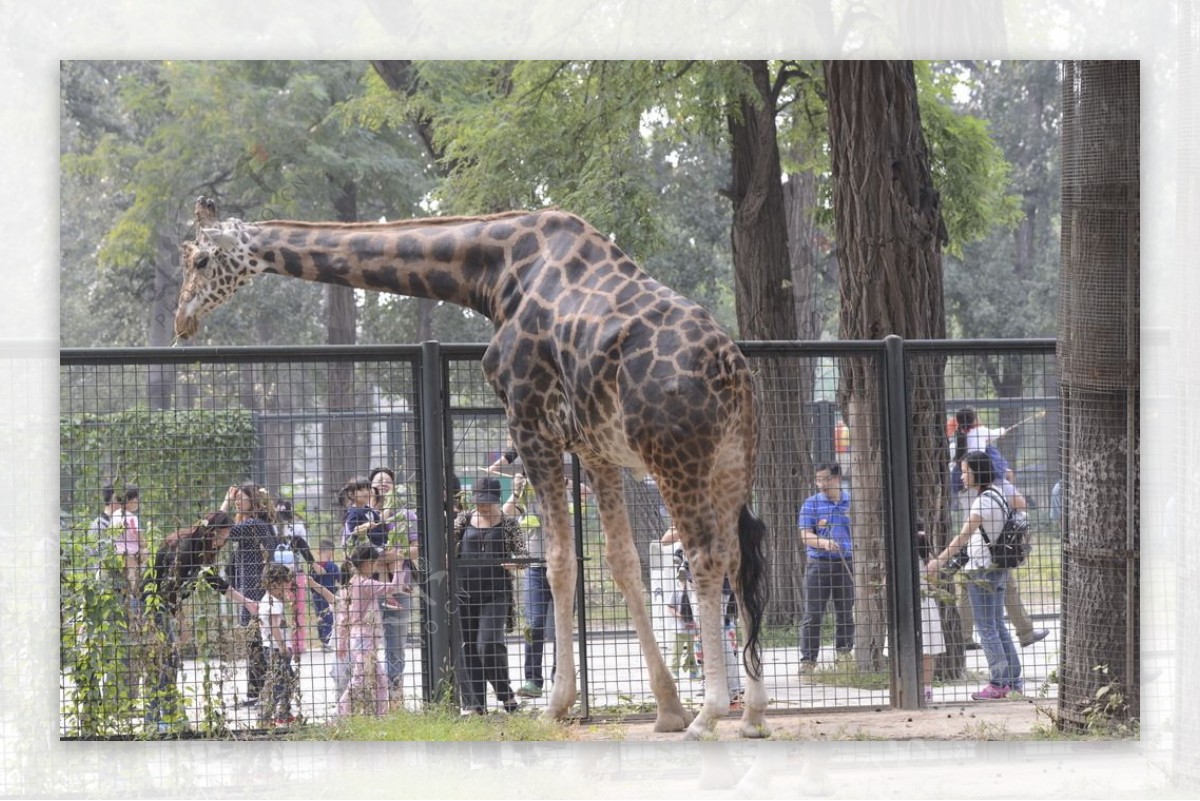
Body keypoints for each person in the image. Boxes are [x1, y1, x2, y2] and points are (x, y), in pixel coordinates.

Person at [140, 511, 257, 732]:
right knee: (164, 661)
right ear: (212, 533)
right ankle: (154, 718)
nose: (224, 542)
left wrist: (247, 602)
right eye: (223, 537)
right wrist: (182, 623)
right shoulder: (185, 550)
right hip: (153, 603)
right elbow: (169, 589)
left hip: (166, 604)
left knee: (170, 662)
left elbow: (215, 581)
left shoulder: (202, 548)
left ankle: (167, 714)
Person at [925, 450, 1022, 700]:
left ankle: (999, 683)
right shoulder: (999, 494)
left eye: (966, 471)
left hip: (982, 571)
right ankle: (1013, 681)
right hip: (998, 569)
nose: (962, 476)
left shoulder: (982, 501)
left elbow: (963, 537)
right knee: (998, 625)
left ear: (978, 472)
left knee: (986, 628)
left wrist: (940, 560)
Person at [949, 409, 1047, 650]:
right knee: (999, 597)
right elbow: (1020, 503)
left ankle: (964, 636)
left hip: (973, 544)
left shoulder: (957, 463)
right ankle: (1023, 633)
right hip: (992, 544)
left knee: (972, 588)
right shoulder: (994, 482)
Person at [454, 476, 526, 715]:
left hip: (496, 592)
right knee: (469, 648)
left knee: (487, 644)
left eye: (488, 501)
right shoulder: (464, 520)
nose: (483, 505)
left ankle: (505, 695)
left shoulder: (508, 524)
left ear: (497, 499)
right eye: (479, 501)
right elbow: (448, 547)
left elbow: (523, 556)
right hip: (465, 592)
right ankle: (476, 705)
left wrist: (514, 564)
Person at [220, 482, 279, 707]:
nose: (236, 501)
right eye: (235, 499)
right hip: (251, 593)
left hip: (256, 595)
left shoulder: (254, 524)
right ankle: (257, 694)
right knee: (256, 645)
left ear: (253, 502)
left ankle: (267, 692)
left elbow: (217, 528)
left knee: (260, 645)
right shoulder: (254, 524)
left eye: (240, 498)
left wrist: (224, 503)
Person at [87, 482, 143, 702]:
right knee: (114, 646)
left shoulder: (124, 522)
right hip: (110, 593)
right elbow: (99, 562)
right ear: (114, 501)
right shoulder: (100, 525)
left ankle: (127, 698)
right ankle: (114, 699)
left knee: (129, 645)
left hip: (127, 592)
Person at [337, 544, 408, 717]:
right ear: (368, 563)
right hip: (365, 638)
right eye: (375, 562)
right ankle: (340, 716)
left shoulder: (351, 583)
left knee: (379, 680)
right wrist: (398, 565)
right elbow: (394, 587)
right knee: (360, 680)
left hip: (359, 638)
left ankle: (380, 716)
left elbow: (344, 617)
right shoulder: (364, 583)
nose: (377, 565)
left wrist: (342, 642)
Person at [797, 462, 855, 674]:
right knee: (813, 614)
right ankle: (808, 660)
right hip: (818, 564)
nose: (821, 484)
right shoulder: (811, 504)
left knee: (845, 611)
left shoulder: (852, 502)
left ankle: (844, 654)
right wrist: (824, 543)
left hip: (845, 563)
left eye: (826, 479)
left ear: (837, 478)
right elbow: (805, 535)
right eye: (818, 479)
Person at [369, 466, 419, 705]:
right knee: (365, 642)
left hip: (400, 587)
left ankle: (395, 696)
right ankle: (369, 695)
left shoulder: (406, 515)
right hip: (367, 589)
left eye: (387, 480)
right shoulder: (363, 516)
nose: (383, 484)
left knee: (396, 643)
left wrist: (393, 555)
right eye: (378, 481)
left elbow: (417, 548)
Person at [507, 473, 556, 699]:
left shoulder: (564, 489)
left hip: (564, 567)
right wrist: (517, 492)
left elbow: (587, 492)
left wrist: (563, 482)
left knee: (558, 629)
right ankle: (533, 680)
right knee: (534, 624)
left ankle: (560, 679)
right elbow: (505, 513)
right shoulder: (526, 495)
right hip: (536, 567)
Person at [257, 562, 300, 726]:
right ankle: (269, 715)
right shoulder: (273, 602)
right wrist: (282, 646)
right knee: (280, 682)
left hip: (271, 647)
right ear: (275, 584)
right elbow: (274, 625)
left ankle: (282, 712)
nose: (287, 589)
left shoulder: (267, 599)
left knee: (286, 679)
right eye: (284, 585)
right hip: (276, 649)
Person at [273, 500, 315, 656]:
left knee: (286, 610)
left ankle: (290, 643)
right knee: (296, 610)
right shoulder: (296, 527)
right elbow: (305, 548)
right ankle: (296, 644)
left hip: (282, 574)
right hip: (289, 572)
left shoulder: (277, 527)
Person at [915, 520, 946, 703]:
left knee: (920, 649)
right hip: (926, 603)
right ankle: (927, 690)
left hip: (909, 605)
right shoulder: (929, 557)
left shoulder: (898, 554)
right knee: (928, 649)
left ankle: (917, 689)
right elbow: (934, 586)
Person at [311, 539, 341, 650]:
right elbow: (340, 579)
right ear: (330, 552)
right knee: (327, 618)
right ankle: (327, 642)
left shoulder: (315, 567)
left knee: (321, 618)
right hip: (327, 597)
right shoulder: (332, 566)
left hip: (317, 597)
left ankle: (324, 641)